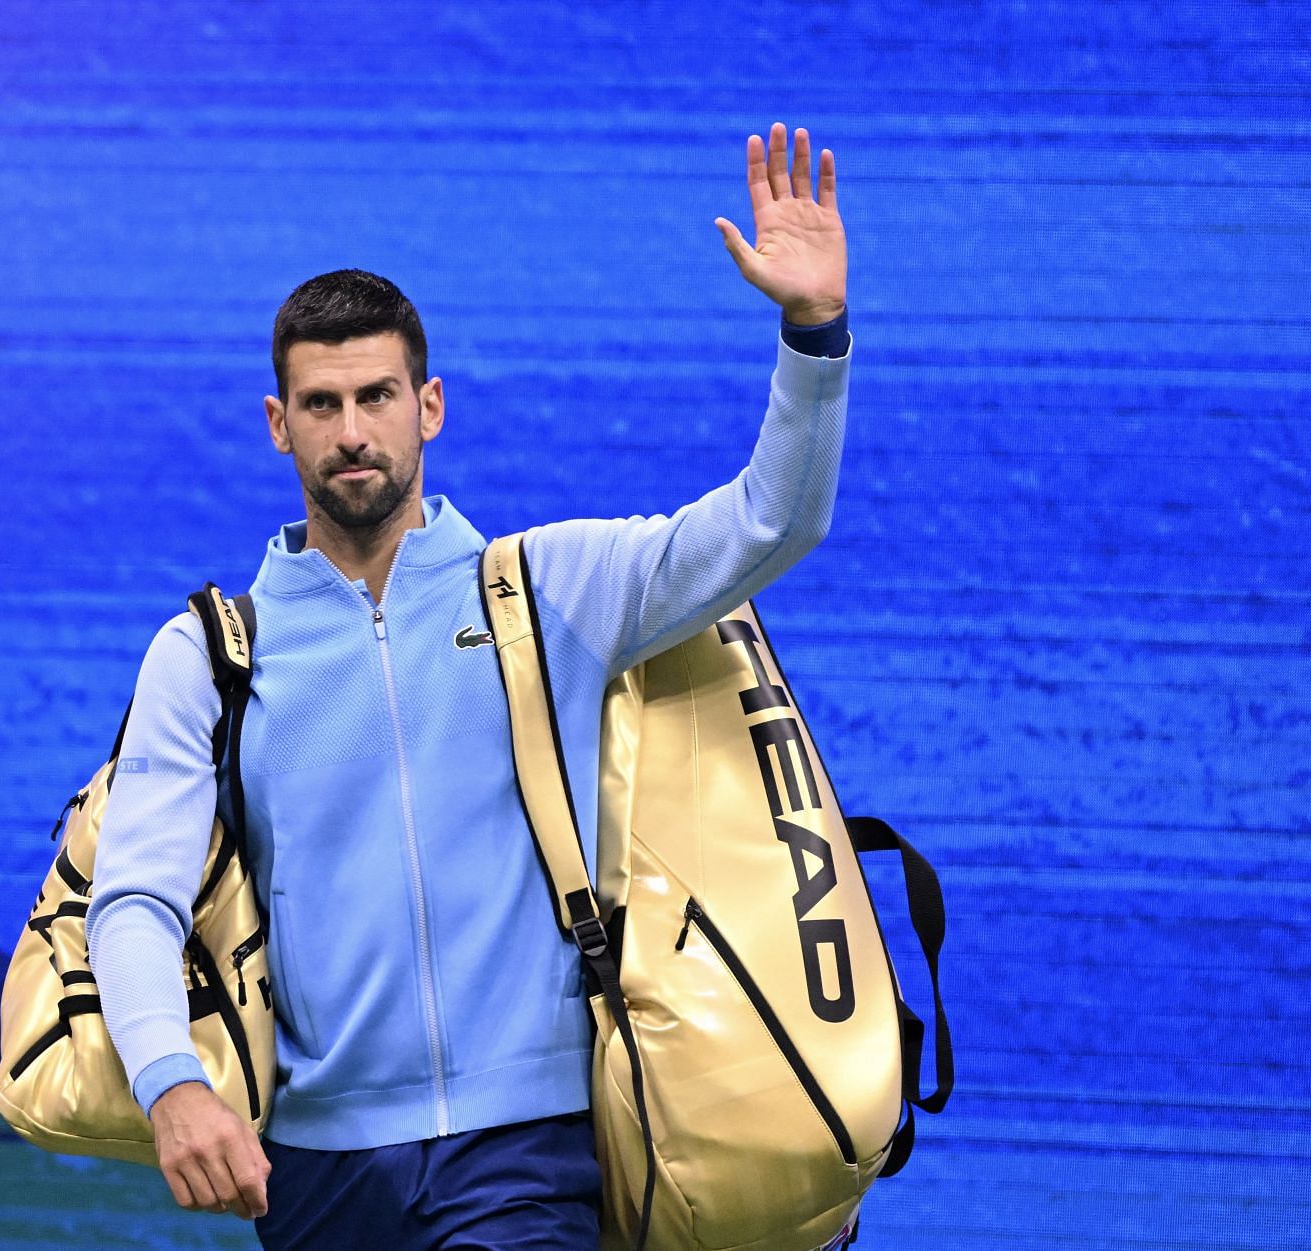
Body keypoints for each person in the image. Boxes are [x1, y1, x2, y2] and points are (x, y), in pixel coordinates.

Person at [85, 121, 853, 1250]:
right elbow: (136, 896)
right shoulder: (207, 652)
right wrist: (170, 1082)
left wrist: (811, 331)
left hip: (529, 1146)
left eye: (379, 398)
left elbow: (768, 523)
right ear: (277, 427)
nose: (355, 433)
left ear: (429, 406)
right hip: (316, 1168)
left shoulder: (548, 589)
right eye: (322, 405)